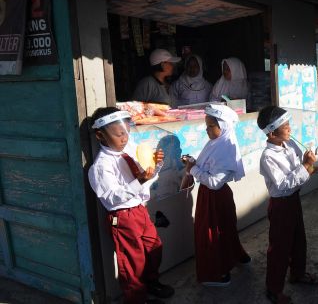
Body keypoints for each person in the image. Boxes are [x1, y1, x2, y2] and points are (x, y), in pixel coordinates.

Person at [88, 107, 174, 304]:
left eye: (127, 131)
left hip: (139, 210)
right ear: (101, 135)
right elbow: (112, 197)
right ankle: (136, 298)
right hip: (123, 216)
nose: (125, 138)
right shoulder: (101, 166)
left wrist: (155, 164)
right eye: (119, 134)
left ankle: (151, 282)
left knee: (154, 247)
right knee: (132, 259)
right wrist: (140, 182)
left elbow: (147, 175)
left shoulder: (128, 150)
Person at [257, 106, 318, 304]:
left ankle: (297, 273)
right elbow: (284, 184)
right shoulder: (268, 156)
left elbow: (300, 171)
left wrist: (308, 164)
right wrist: (306, 166)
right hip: (281, 205)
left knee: (298, 240)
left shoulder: (289, 144)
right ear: (272, 132)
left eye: (289, 124)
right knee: (280, 247)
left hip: (293, 201)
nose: (289, 129)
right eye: (285, 127)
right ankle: (273, 289)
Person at [183, 104, 251, 287]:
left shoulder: (226, 149)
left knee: (211, 233)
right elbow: (209, 168)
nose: (207, 130)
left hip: (214, 197)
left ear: (224, 126)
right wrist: (195, 164)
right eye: (206, 126)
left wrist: (193, 169)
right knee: (225, 228)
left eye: (211, 126)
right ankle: (236, 257)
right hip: (213, 196)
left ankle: (216, 272)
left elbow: (214, 182)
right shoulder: (216, 143)